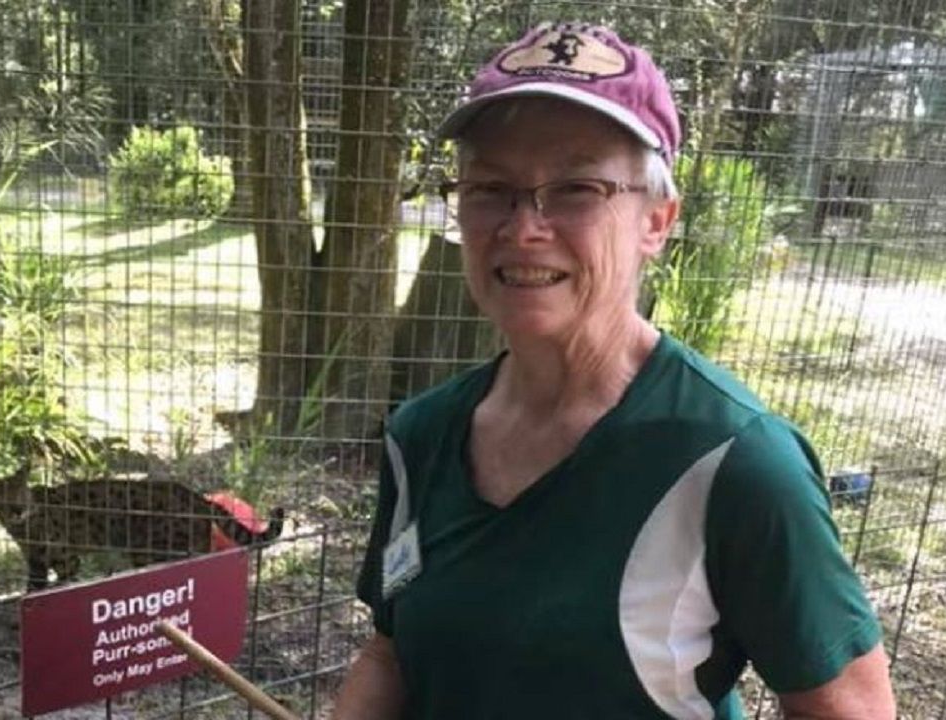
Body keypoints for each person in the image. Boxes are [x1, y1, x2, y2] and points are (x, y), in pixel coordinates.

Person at [332, 21, 896, 720]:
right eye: (490, 188)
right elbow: (391, 653)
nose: (522, 228)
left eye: (575, 188)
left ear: (656, 221)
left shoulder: (737, 464)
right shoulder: (420, 437)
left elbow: (850, 710)